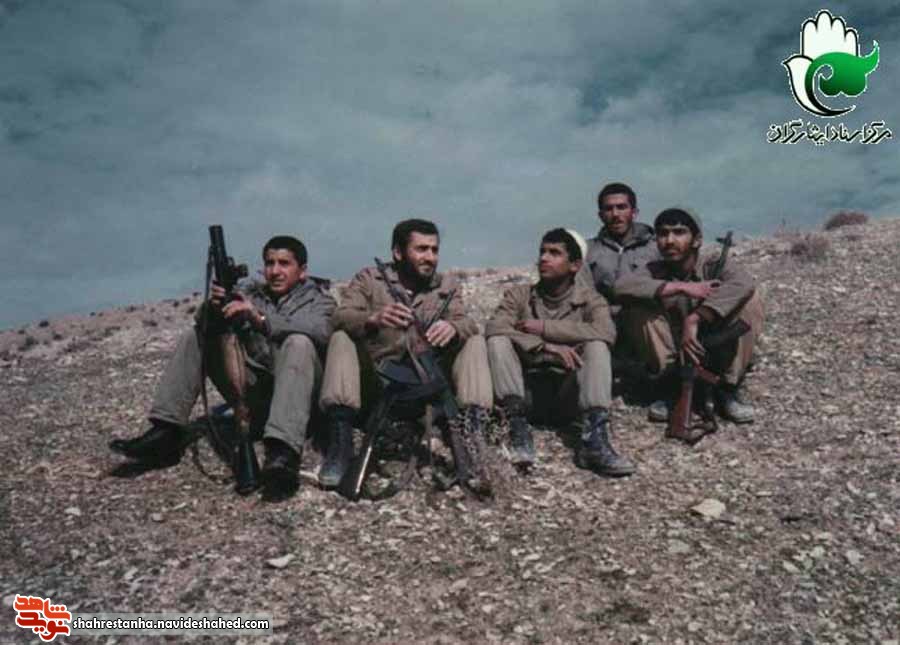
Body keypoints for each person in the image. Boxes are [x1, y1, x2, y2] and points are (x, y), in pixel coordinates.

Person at [109, 235, 335, 499]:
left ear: (302, 270)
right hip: (258, 394)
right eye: (269, 263)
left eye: (284, 263)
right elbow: (205, 322)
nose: (275, 271)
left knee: (299, 342)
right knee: (196, 336)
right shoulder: (250, 294)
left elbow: (320, 330)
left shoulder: (320, 300)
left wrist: (260, 318)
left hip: (300, 402)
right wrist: (217, 306)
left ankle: (282, 452)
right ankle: (166, 431)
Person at [317, 218, 493, 490]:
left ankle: (473, 434)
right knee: (341, 338)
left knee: (474, 342)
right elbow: (339, 317)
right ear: (398, 253)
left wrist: (453, 328)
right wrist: (373, 318)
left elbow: (466, 322)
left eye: (434, 250)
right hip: (378, 384)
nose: (430, 257)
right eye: (421, 249)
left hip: (428, 387)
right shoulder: (369, 279)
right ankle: (340, 443)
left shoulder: (445, 286)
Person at [485, 228, 635, 476]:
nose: (544, 258)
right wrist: (545, 346)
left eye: (554, 253)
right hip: (525, 393)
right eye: (542, 252)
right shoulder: (519, 295)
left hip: (569, 395)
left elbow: (606, 332)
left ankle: (594, 440)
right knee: (498, 340)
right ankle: (516, 430)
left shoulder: (591, 300)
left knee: (597, 346)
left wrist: (545, 327)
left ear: (575, 265)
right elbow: (494, 327)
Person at [614, 208, 764, 424]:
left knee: (751, 301)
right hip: (676, 353)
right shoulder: (653, 269)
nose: (669, 241)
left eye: (679, 232)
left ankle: (728, 388)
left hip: (716, 345)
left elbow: (743, 283)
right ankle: (670, 388)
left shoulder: (713, 264)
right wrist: (681, 287)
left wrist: (696, 318)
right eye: (663, 234)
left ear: (697, 240)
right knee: (636, 310)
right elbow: (622, 286)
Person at [580, 182, 660, 310]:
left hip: (645, 315)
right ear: (601, 215)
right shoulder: (587, 250)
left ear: (634, 212)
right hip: (601, 316)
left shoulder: (656, 247)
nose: (615, 214)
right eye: (609, 209)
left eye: (621, 207)